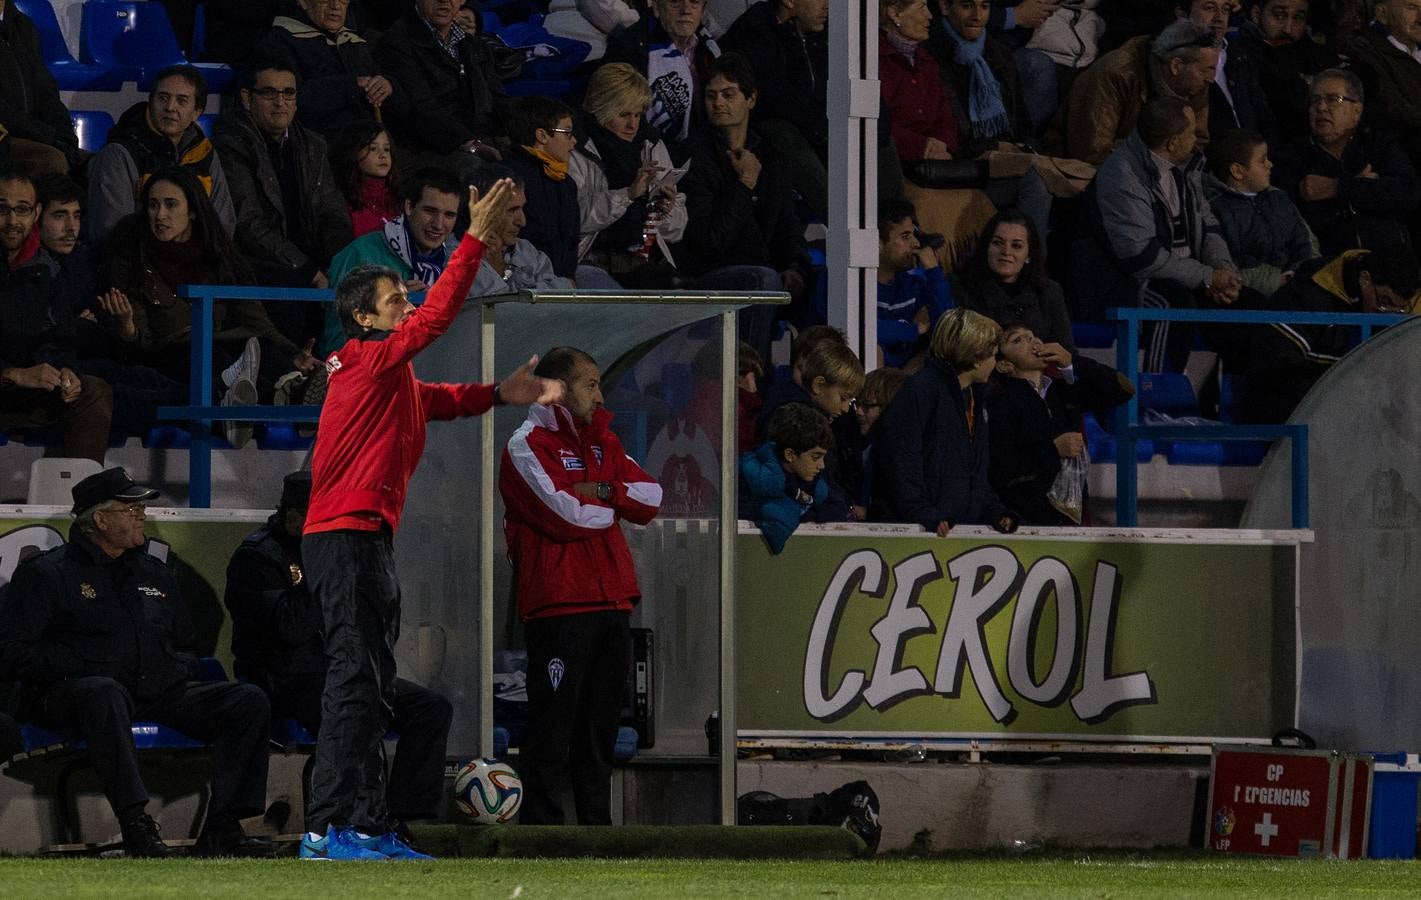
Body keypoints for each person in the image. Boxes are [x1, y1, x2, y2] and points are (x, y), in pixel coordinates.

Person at [300, 178, 560, 860]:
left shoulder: (387, 380)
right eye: (394, 301)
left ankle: (368, 826)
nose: (406, 305)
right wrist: (472, 238)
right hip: (343, 539)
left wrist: (496, 394)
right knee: (354, 684)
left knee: (372, 688)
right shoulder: (363, 360)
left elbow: (435, 400)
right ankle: (325, 831)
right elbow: (436, 321)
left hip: (364, 539)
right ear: (363, 319)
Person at [0, 467, 273, 858]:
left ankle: (224, 827)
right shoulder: (46, 574)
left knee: (247, 701)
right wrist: (88, 662)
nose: (141, 515)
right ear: (100, 519)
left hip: (152, 688)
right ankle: (136, 825)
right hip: (71, 696)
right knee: (104, 691)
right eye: (131, 508)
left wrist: (173, 666)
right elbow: (14, 653)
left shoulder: (154, 573)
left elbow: (185, 641)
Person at [224, 471, 453, 853]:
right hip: (285, 678)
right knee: (356, 706)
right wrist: (323, 569)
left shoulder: (343, 551)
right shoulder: (257, 558)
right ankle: (338, 825)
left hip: (340, 668)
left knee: (429, 708)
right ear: (296, 518)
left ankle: (391, 820)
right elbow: (287, 629)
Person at [498, 346, 661, 825]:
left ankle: (596, 830)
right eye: (591, 383)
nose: (600, 394)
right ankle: (543, 831)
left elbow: (652, 495)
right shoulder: (525, 445)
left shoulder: (602, 441)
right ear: (560, 388)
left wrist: (605, 490)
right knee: (552, 722)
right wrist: (611, 502)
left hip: (612, 601)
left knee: (601, 726)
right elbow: (568, 515)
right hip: (559, 606)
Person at [100, 166, 319, 446]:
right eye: (153, 206)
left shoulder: (217, 253)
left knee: (259, 348)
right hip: (174, 351)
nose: (160, 215)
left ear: (192, 210)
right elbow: (141, 343)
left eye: (170, 204)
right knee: (216, 357)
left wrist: (290, 353)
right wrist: (127, 327)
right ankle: (281, 399)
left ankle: (293, 390)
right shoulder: (131, 254)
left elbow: (254, 319)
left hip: (226, 345)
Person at [1072, 97, 1240, 372]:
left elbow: (1208, 225)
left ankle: (1217, 401)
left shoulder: (1188, 167)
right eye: (1191, 133)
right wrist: (1207, 277)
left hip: (1184, 274)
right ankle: (1154, 395)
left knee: (1246, 302)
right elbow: (1142, 257)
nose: (1198, 139)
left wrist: (1222, 269)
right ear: (1171, 143)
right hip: (1122, 281)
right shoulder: (1122, 174)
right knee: (1171, 304)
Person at [676, 52, 812, 361]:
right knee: (762, 281)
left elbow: (787, 226)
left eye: (728, 94)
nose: (718, 103)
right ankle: (746, 382)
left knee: (817, 279)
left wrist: (795, 266)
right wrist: (743, 185)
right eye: (711, 96)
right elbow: (711, 241)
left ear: (750, 99)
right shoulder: (693, 157)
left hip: (764, 265)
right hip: (710, 272)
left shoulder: (772, 155)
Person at [213, 54, 355, 347]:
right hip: (260, 262)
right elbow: (248, 225)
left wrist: (335, 263)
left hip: (310, 261)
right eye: (269, 93)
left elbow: (332, 212)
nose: (280, 102)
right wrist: (308, 269)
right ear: (246, 98)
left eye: (288, 93)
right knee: (288, 282)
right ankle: (293, 372)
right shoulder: (231, 144)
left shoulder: (313, 144)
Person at [33, 175, 186, 439]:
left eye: (77, 216)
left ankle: (221, 398)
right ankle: (221, 400)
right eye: (60, 216)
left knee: (145, 377)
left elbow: (99, 329)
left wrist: (119, 325)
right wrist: (80, 327)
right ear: (37, 217)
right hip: (56, 372)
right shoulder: (34, 267)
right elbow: (48, 335)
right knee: (123, 391)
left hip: (89, 360)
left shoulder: (82, 262)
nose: (71, 227)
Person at [870, 307, 1018, 533]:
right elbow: (900, 463)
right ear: (977, 356)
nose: (995, 363)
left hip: (959, 532)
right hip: (922, 533)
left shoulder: (976, 397)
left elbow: (974, 473)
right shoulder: (920, 391)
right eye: (993, 355)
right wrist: (924, 514)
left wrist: (994, 511)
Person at [0, 172, 113, 461]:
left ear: (35, 212)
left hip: (26, 391)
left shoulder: (46, 269)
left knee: (92, 392)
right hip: (10, 381)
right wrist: (14, 374)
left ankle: (83, 500)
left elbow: (59, 338)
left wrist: (65, 371)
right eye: (2, 209)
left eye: (22, 209)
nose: (12, 220)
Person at [1236, 247, 1418, 422]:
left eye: (1401, 310)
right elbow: (1277, 375)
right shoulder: (1304, 296)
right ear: (1364, 279)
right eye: (1384, 302)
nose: (1388, 315)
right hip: (1292, 415)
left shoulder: (1397, 310)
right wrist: (1353, 384)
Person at [1270, 68, 1420, 257]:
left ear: (1356, 111)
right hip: (1326, 264)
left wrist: (1337, 187)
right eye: (1315, 100)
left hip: (1389, 259)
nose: (1321, 107)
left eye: (1333, 99)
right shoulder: (1290, 157)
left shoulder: (1377, 145)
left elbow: (1408, 193)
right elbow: (1291, 216)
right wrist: (1366, 189)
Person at [86, 65, 236, 245]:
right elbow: (113, 232)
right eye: (163, 98)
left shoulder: (205, 154)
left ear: (197, 112)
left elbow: (222, 226)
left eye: (181, 100)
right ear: (150, 101)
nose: (170, 107)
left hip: (197, 264)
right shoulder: (119, 154)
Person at [570, 64, 689, 288]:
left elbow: (676, 231)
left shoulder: (650, 145)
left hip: (642, 262)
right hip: (590, 262)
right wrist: (628, 195)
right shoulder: (578, 147)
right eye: (624, 115)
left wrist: (664, 210)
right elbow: (575, 218)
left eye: (637, 114)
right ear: (601, 109)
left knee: (688, 302)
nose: (632, 125)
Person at [322, 167, 465, 353]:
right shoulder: (361, 253)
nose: (439, 224)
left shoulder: (455, 262)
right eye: (430, 211)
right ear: (409, 207)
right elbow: (338, 344)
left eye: (449, 215)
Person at [720, 0, 830, 220]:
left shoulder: (810, 34)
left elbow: (817, 92)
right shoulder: (755, 30)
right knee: (783, 133)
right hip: (758, 129)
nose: (827, 5)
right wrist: (822, 129)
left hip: (802, 125)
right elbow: (776, 100)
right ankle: (841, 222)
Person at [376, 0, 509, 180]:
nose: (444, 1)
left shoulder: (474, 45)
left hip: (478, 137)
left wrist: (513, 133)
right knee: (476, 170)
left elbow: (498, 98)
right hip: (429, 148)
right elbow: (422, 108)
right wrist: (470, 143)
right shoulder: (397, 43)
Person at [1065, 18, 1220, 165]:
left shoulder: (1195, 84)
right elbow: (1091, 151)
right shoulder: (1116, 74)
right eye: (1207, 70)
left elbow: (1197, 142)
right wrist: (1155, 157)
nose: (1211, 79)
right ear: (1176, 66)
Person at [984, 322, 1082, 526]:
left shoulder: (1061, 391)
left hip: (1067, 516)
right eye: (1017, 340)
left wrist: (1068, 363)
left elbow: (1117, 391)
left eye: (1031, 336)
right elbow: (1002, 467)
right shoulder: (1001, 401)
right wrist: (1054, 450)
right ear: (1004, 365)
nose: (1031, 341)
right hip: (1025, 518)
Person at [756, 339, 865, 521]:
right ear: (819, 385)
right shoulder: (800, 424)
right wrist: (837, 510)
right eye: (843, 398)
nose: (846, 408)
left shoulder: (786, 407)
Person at [263, 0, 406, 139]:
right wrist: (352, 86)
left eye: (343, 0)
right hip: (322, 147)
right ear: (303, 2)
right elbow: (290, 100)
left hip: (374, 144)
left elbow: (403, 108)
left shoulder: (355, 40)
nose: (335, 6)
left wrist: (388, 86)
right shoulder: (280, 42)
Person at [602, 0, 725, 156]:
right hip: (647, 158)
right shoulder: (629, 48)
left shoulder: (709, 49)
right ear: (656, 7)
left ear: (702, 10)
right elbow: (618, 124)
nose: (686, 10)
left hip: (703, 156)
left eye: (694, 1)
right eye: (675, 1)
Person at [1204, 129, 1317, 296]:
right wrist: (1274, 281)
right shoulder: (1216, 210)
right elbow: (1226, 269)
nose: (1270, 165)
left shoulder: (1279, 199)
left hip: (1298, 286)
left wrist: (1302, 274)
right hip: (1252, 298)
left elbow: (1306, 242)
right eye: (1262, 161)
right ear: (1237, 171)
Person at [956, 210, 1076, 356]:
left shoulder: (1049, 292)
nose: (1006, 251)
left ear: (1029, 256)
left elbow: (1067, 353)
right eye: (998, 243)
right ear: (986, 248)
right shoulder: (961, 288)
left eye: (1016, 246)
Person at [926, 0, 1032, 159]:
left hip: (1009, 157)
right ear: (945, 7)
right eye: (966, 6)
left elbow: (1022, 122)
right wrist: (994, 147)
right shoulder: (930, 56)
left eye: (984, 7)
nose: (977, 16)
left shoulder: (1000, 54)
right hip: (961, 161)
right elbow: (944, 132)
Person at [505, 96, 588, 283]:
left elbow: (571, 241)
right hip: (523, 285)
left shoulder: (566, 183)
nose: (573, 141)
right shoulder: (510, 178)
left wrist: (567, 279)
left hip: (560, 287)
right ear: (541, 136)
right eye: (567, 133)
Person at [1176, 0, 1279, 146]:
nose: (1219, 17)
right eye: (1210, 8)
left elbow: (1264, 119)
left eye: (1225, 9)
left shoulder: (1240, 56)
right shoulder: (1177, 65)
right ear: (1181, 15)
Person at [1235, 0, 1338, 144]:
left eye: (1297, 18)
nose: (1288, 29)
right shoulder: (1242, 58)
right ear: (1257, 15)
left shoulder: (1310, 52)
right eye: (1278, 15)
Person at [0, 0, 84, 176]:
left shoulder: (23, 26)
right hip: (6, 139)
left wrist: (65, 137)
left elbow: (47, 92)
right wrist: (47, 137)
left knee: (97, 163)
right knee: (52, 162)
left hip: (33, 136)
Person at [466, 166, 576, 297]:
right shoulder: (458, 256)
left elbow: (563, 294)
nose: (522, 221)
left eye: (522, 208)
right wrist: (498, 268)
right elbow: (503, 311)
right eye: (512, 210)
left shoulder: (526, 250)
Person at [739, 401, 833, 553]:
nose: (822, 465)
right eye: (816, 457)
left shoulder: (815, 486)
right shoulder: (749, 483)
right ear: (790, 455)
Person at [879, 0, 960, 174]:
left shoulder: (927, 62)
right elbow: (876, 125)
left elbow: (946, 117)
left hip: (936, 164)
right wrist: (922, 147)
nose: (930, 16)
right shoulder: (872, 62)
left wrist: (940, 145)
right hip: (893, 168)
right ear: (894, 13)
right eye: (922, 6)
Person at [1338, 0, 1421, 167]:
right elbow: (1393, 109)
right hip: (1401, 158)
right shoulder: (1364, 52)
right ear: (1382, 14)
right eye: (1412, 7)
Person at [876, 199, 954, 369]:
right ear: (878, 243)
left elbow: (948, 327)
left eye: (914, 234)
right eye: (905, 237)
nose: (916, 244)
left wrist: (933, 271)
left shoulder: (912, 284)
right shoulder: (848, 283)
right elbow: (856, 330)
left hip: (906, 376)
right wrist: (912, 330)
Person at [329, 123, 402, 238]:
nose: (383, 155)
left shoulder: (399, 197)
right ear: (353, 153)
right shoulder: (341, 202)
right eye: (373, 149)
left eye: (387, 149)